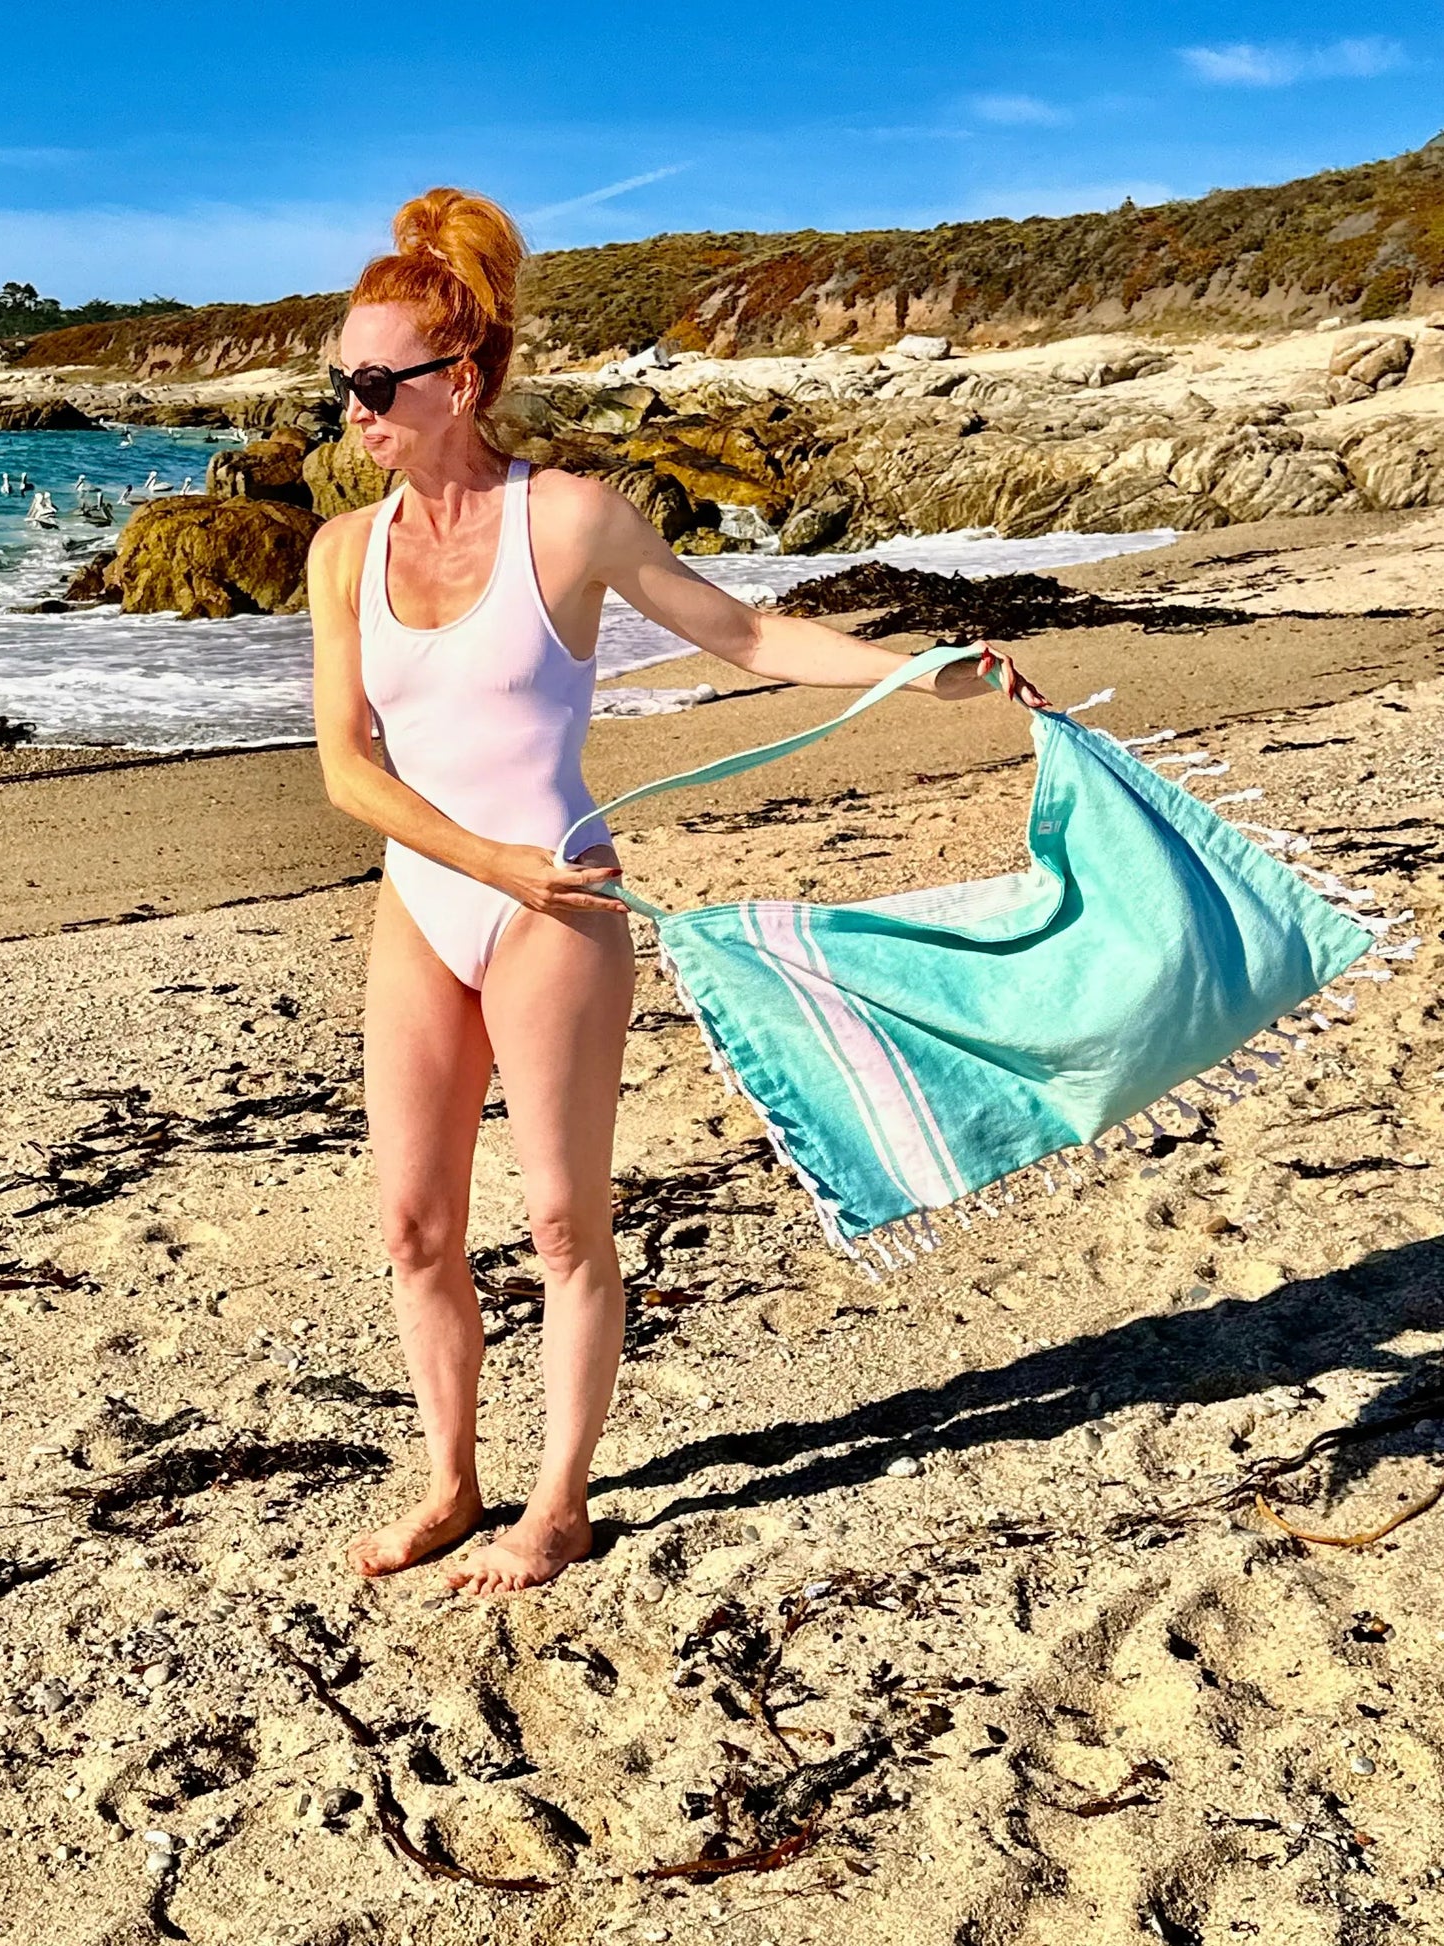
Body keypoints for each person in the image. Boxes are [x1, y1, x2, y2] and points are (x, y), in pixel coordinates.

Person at [308, 188, 1043, 1596]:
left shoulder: (571, 522)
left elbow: (745, 631)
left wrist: (925, 669)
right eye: (338, 380)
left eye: (371, 381)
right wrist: (475, 864)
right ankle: (451, 1480)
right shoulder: (342, 552)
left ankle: (559, 1502)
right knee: (412, 1224)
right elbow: (348, 771)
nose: (349, 407)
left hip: (560, 909)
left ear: (456, 383)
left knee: (564, 1220)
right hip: (431, 901)